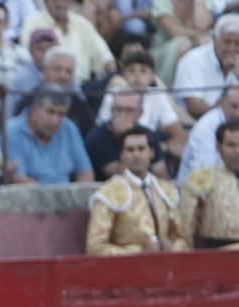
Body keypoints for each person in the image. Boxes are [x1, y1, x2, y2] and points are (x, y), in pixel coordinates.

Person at [85, 126, 183, 255]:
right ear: (122, 155)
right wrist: (139, 252)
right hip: (126, 271)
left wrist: (172, 248)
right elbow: (94, 248)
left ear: (152, 152)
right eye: (130, 150)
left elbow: (183, 239)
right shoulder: (108, 193)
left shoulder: (167, 190)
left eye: (141, 149)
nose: (136, 154)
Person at [6, 87, 93, 184]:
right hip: (29, 196)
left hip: (68, 195)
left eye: (61, 114)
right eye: (50, 112)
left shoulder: (68, 128)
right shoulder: (12, 131)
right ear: (34, 108)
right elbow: (19, 178)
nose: (55, 121)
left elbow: (86, 172)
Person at [19, 0, 115, 84]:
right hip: (46, 85)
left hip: (84, 86)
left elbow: (105, 57)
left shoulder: (82, 24)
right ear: (45, 1)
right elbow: (26, 58)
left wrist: (113, 75)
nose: (59, 3)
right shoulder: (33, 22)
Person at [178, 118, 239, 248]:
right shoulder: (199, 179)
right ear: (218, 147)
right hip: (216, 251)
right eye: (231, 145)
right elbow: (186, 226)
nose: (237, 151)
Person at [85, 89, 165, 180]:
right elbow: (119, 176)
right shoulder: (97, 138)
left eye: (129, 110)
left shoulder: (148, 135)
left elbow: (161, 173)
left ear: (140, 113)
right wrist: (126, 135)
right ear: (111, 110)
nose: (122, 115)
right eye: (118, 109)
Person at [173, 14, 239, 120]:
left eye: (237, 44)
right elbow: (194, 106)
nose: (232, 48)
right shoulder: (194, 59)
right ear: (214, 39)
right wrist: (224, 112)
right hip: (195, 124)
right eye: (227, 42)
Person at [152, 0, 217, 88]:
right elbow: (172, 31)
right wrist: (198, 35)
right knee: (183, 44)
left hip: (193, 42)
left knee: (207, 42)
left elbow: (203, 26)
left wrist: (198, 2)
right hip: (164, 49)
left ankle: (204, 88)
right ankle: (173, 90)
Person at [179, 85, 239, 179]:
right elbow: (204, 173)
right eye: (234, 106)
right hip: (198, 186)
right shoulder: (206, 128)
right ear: (221, 103)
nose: (237, 113)